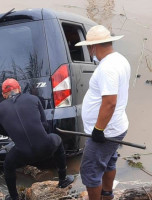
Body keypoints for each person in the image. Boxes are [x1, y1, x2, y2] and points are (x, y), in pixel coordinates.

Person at [0, 78, 74, 200]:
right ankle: (62, 179)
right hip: (45, 148)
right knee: (57, 139)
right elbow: (45, 125)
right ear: (19, 89)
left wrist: (14, 132)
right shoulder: (33, 99)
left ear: (4, 94)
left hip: (22, 154)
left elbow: (0, 131)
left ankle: (14, 197)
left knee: (8, 165)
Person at [75, 25, 131, 200]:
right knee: (108, 161)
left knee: (90, 170)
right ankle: (107, 195)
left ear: (93, 46)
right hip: (116, 126)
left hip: (106, 129)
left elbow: (109, 103)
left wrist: (98, 129)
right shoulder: (119, 59)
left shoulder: (107, 68)